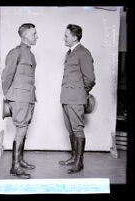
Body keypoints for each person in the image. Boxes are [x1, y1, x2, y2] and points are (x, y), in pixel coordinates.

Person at [1, 23, 38, 179]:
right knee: (21, 128)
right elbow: (6, 76)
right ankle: (15, 167)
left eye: (36, 34)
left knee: (24, 129)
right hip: (19, 97)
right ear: (24, 36)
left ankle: (20, 160)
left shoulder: (30, 54)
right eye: (33, 34)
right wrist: (7, 96)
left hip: (29, 97)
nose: (36, 36)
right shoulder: (15, 53)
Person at [59, 24, 96, 174]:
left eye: (66, 35)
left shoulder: (84, 53)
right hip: (66, 98)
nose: (64, 37)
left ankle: (79, 163)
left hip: (76, 98)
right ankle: (74, 157)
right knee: (70, 130)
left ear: (75, 37)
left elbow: (90, 78)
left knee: (77, 130)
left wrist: (82, 91)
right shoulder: (69, 53)